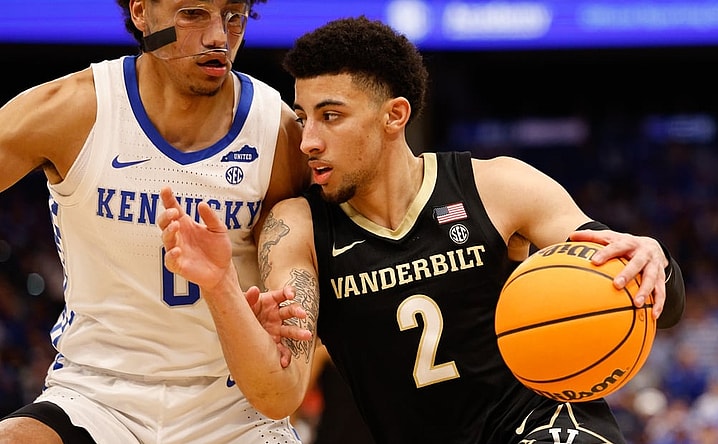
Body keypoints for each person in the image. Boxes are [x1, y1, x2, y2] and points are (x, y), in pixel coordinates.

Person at [158, 16, 686, 443]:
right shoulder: (296, 226)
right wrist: (221, 284)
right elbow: (279, 395)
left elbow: (656, 298)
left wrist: (652, 259)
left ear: (394, 116)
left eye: (331, 116)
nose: (308, 141)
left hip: (544, 426)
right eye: (303, 118)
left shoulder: (499, 186)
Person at [0, 0, 313, 442]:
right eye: (192, 14)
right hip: (97, 398)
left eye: (233, 16)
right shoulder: (72, 111)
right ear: (142, 12)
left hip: (233, 409)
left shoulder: (277, 134)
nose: (218, 38)